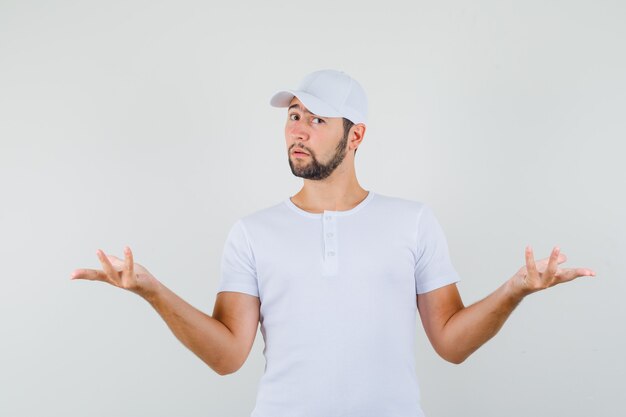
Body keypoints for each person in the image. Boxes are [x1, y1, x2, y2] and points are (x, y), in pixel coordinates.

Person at [71, 69, 596, 417]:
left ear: (357, 136)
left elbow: (451, 343)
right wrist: (151, 290)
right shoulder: (252, 233)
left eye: (317, 119)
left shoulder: (412, 222)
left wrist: (516, 289)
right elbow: (229, 354)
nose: (298, 130)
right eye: (294, 116)